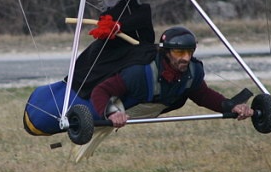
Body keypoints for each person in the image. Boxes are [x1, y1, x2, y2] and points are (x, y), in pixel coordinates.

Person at [89, 26, 254, 128]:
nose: (186, 58)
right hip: (103, 109)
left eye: (190, 52)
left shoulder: (193, 71)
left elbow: (203, 95)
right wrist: (112, 113)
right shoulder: (139, 72)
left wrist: (231, 107)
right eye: (179, 52)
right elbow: (101, 91)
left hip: (140, 110)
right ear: (166, 52)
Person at [69, 0, 156, 98]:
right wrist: (107, 27)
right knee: (92, 54)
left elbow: (139, 18)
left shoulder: (142, 9)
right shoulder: (112, 7)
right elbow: (106, 22)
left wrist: (119, 25)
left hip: (139, 47)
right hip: (116, 49)